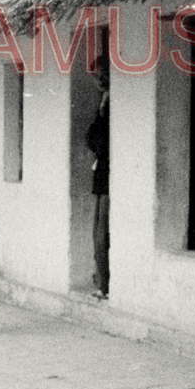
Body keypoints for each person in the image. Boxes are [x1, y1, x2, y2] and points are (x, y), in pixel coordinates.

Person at [86, 64, 111, 299]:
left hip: (107, 178)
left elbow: (97, 139)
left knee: (102, 235)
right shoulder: (103, 107)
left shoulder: (109, 108)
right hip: (102, 179)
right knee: (99, 235)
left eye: (102, 77)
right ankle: (102, 283)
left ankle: (105, 285)